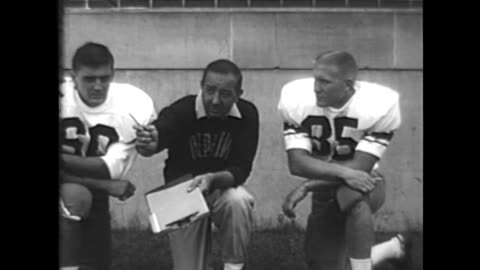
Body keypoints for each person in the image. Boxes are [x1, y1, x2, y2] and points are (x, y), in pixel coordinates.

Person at [277, 51, 409, 270]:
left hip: (368, 182)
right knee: (322, 263)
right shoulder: (295, 99)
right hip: (327, 188)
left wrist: (308, 185)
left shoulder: (380, 104)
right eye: (315, 79)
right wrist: (339, 175)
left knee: (353, 196)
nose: (316, 87)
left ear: (348, 85)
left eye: (325, 82)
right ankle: (390, 249)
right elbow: (297, 163)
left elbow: (360, 170)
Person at [135, 59, 258, 270]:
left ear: (239, 94)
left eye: (225, 94)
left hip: (220, 187)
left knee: (238, 200)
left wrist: (211, 179)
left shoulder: (247, 114)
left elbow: (241, 169)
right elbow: (162, 130)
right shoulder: (183, 109)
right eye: (209, 90)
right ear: (201, 86)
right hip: (181, 192)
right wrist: (150, 141)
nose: (215, 100)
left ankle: (233, 267)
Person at [59, 42, 156, 270]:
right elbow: (106, 177)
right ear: (74, 77)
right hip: (78, 188)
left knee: (97, 263)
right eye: (89, 79)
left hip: (91, 188)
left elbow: (110, 167)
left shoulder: (130, 104)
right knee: (77, 195)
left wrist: (101, 183)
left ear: (113, 74)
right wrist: (104, 185)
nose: (98, 86)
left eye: (104, 78)